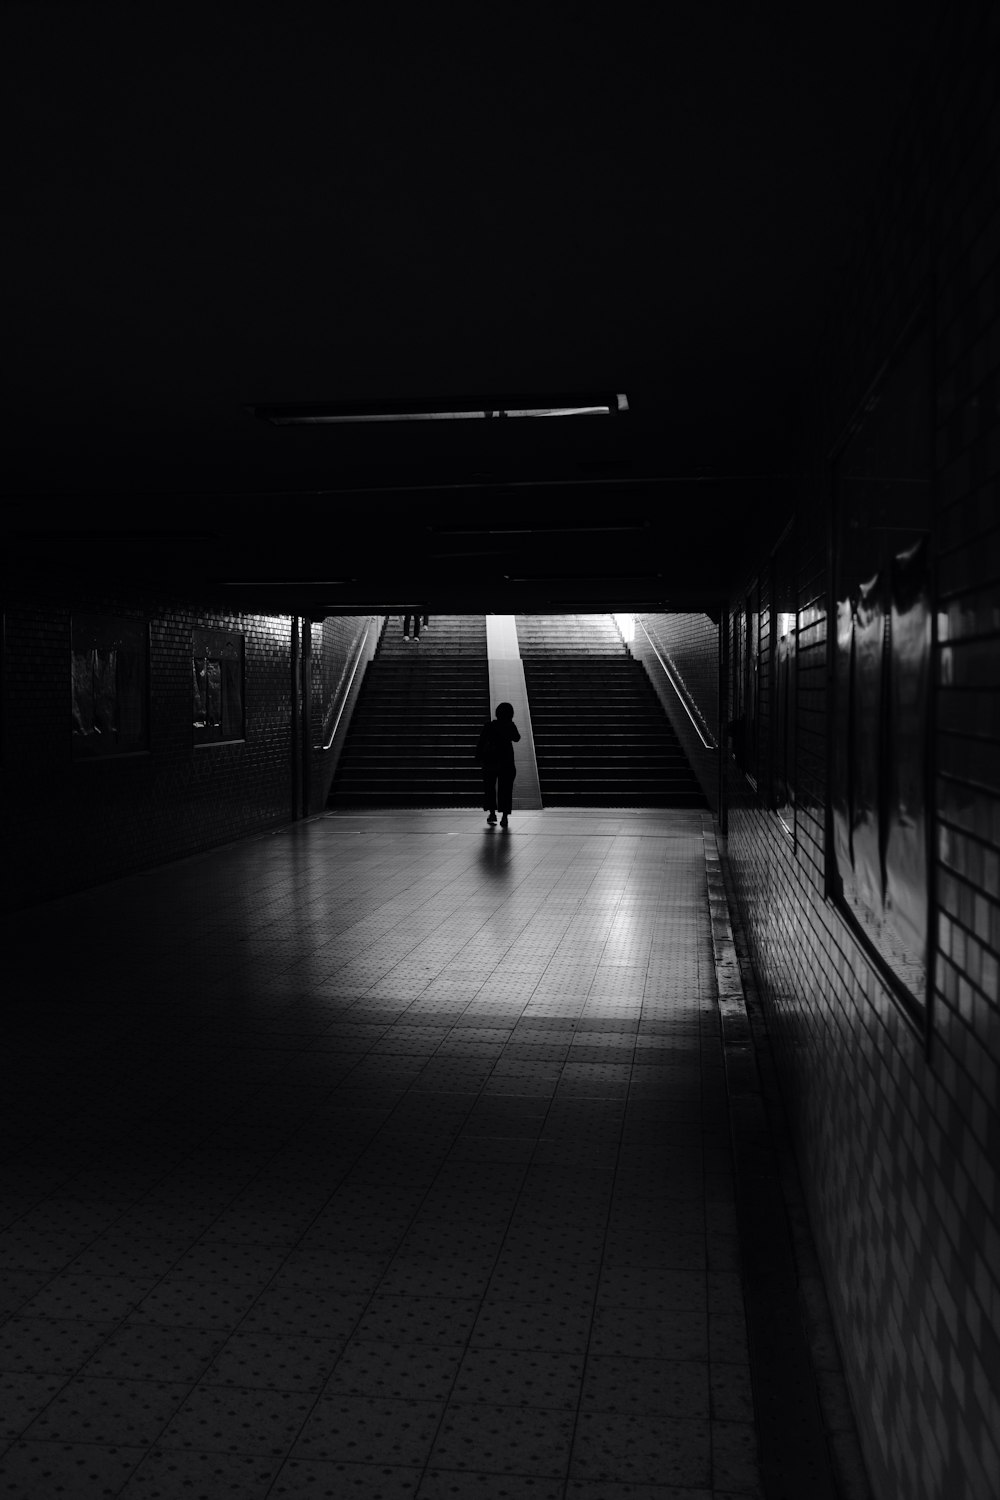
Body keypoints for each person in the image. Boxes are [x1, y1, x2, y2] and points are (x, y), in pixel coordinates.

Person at [475, 701, 520, 827]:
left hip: (490, 761)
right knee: (505, 789)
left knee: (489, 788)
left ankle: (492, 813)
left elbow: (481, 742)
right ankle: (504, 817)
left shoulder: (489, 726)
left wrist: (478, 756)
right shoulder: (509, 726)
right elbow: (517, 738)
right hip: (506, 762)